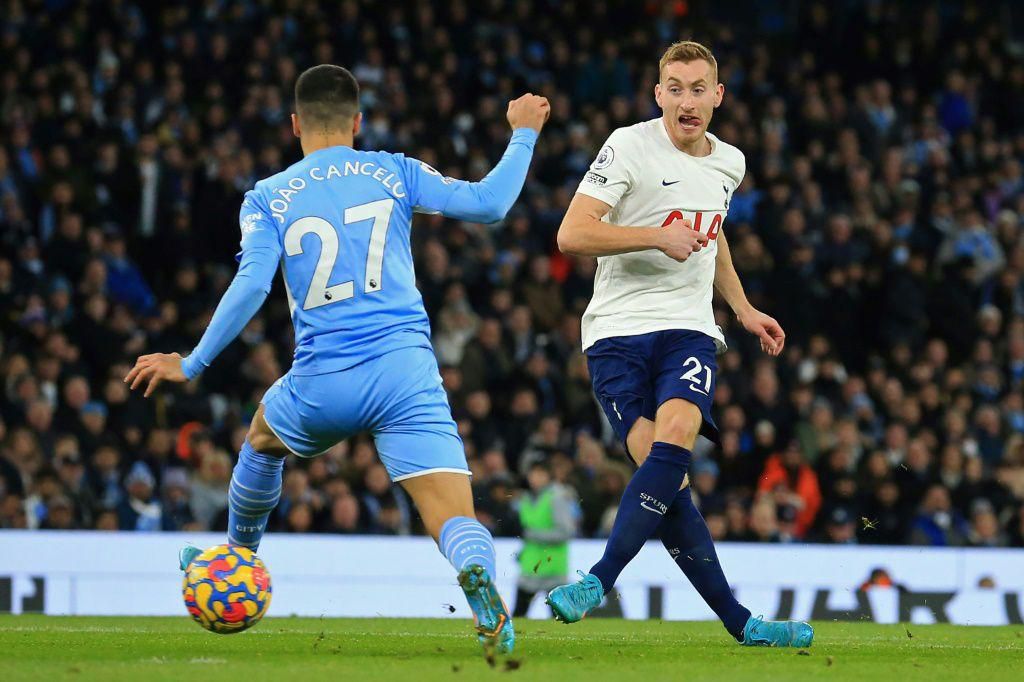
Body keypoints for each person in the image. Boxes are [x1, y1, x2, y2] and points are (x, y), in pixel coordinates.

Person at [125, 64, 549, 657]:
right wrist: (523, 131)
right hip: (405, 372)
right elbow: (489, 204)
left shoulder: (269, 196)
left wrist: (192, 363)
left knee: (262, 439)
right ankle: (483, 594)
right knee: (451, 516)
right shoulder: (393, 170)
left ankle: (236, 562)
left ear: (295, 124)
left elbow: (252, 284)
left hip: (324, 377)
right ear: (357, 121)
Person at [546, 41, 813, 647]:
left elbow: (713, 237)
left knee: (673, 441)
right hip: (615, 333)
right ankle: (742, 624)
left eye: (698, 89)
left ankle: (597, 581)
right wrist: (653, 237)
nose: (686, 100)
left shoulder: (731, 163)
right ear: (657, 93)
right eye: (675, 87)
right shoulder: (628, 144)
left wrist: (742, 309)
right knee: (667, 484)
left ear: (718, 96)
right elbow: (571, 233)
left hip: (690, 329)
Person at [512, 460, 578, 617]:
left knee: (559, 618)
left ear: (549, 476)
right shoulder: (526, 498)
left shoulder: (557, 497)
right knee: (519, 616)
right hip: (530, 566)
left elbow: (566, 532)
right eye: (533, 474)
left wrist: (530, 534)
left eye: (540, 474)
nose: (535, 478)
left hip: (552, 567)